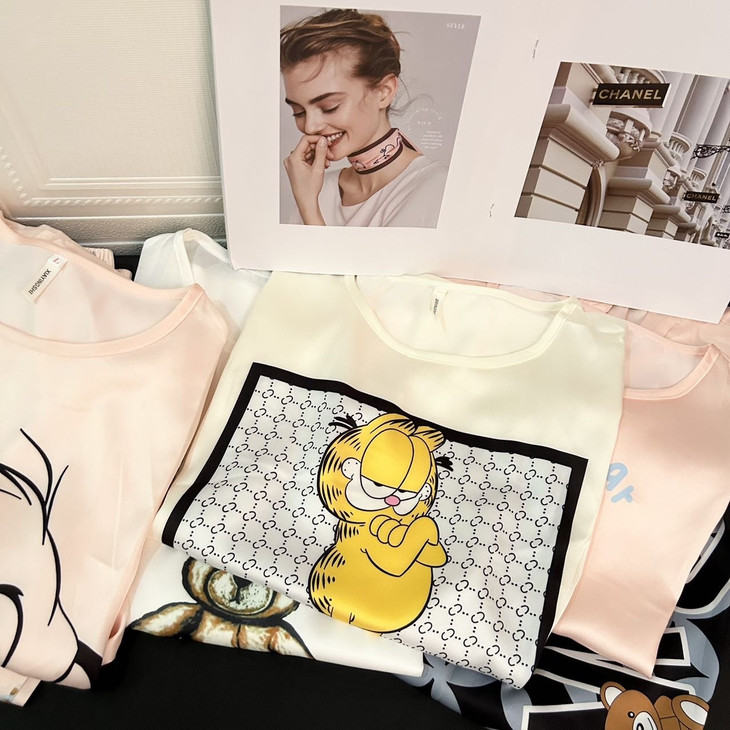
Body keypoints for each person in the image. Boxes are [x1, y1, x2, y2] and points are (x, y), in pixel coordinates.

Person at [280, 8, 449, 228]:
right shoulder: (314, 188)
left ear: (384, 92)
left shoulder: (437, 190)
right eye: (299, 112)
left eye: (329, 107)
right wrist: (307, 200)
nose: (310, 127)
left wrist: (309, 208)